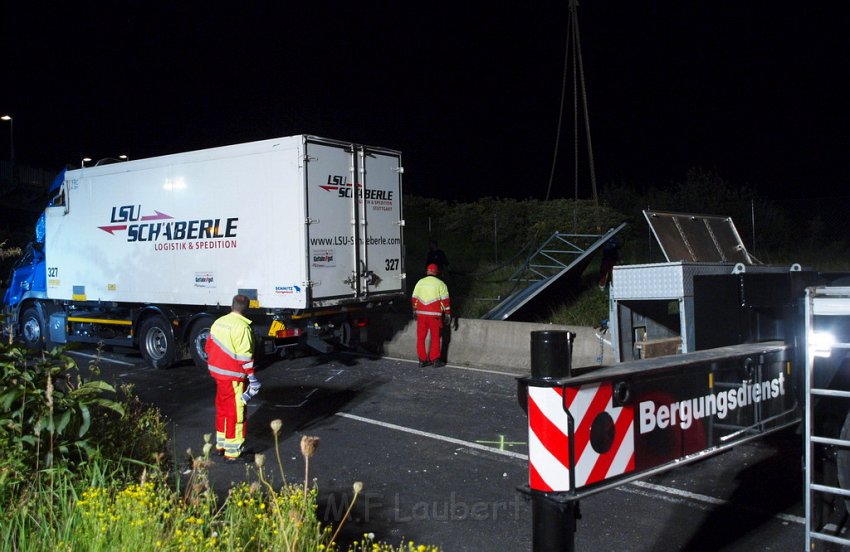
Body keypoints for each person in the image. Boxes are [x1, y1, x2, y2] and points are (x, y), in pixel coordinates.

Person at [205, 294, 259, 463]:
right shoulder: (243, 328)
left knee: (222, 409)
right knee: (236, 413)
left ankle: (221, 445)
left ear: (231, 306)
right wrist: (253, 379)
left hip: (218, 375)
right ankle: (233, 453)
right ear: (247, 309)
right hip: (233, 377)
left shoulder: (218, 322)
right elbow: (245, 358)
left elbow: (208, 347)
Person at [411, 263, 451, 367]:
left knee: (420, 337)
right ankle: (435, 360)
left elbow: (414, 298)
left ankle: (422, 360)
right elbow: (445, 301)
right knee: (435, 337)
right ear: (437, 272)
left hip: (421, 314)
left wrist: (414, 310)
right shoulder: (440, 284)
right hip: (434, 315)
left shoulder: (420, 282)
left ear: (427, 272)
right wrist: (447, 313)